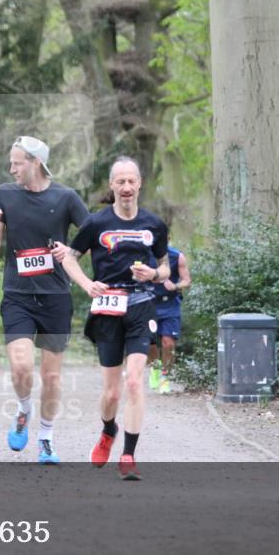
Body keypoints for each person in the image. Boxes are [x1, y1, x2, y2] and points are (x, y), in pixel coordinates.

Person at [61, 156, 169, 480]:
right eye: (119, 182)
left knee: (134, 381)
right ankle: (109, 430)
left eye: (130, 181)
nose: (125, 187)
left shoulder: (154, 224)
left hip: (141, 305)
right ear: (111, 186)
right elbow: (69, 258)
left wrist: (153, 273)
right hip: (107, 307)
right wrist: (86, 284)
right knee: (112, 393)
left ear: (140, 184)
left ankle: (128, 456)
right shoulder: (96, 223)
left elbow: (166, 267)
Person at [0, 136, 89, 464]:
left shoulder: (66, 197)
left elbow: (92, 236)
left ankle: (45, 438)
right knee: (20, 366)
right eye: (11, 163)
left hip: (56, 297)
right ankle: (23, 409)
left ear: (35, 163)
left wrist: (70, 252)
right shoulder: (5, 193)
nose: (11, 168)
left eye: (17, 162)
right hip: (17, 295)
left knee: (52, 376)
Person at [148, 245, 191, 394]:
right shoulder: (143, 253)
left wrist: (175, 286)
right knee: (149, 343)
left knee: (168, 342)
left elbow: (187, 280)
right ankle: (155, 367)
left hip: (170, 305)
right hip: (148, 303)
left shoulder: (177, 256)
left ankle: (165, 378)